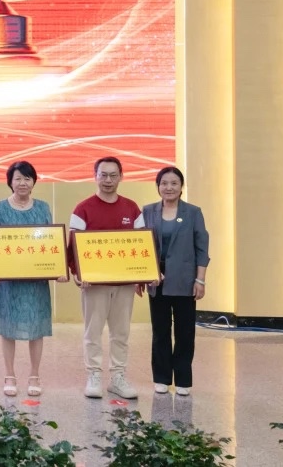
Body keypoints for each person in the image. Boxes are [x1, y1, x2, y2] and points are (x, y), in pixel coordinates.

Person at [0, 161, 68, 398]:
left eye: (27, 178)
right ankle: (9, 375)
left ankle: (34, 375)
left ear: (34, 182)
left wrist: (59, 268)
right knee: (8, 328)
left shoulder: (42, 207)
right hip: (8, 282)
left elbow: (51, 242)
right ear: (10, 182)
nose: (22, 183)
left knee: (36, 327)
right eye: (18, 178)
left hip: (36, 280)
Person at [70, 155, 146, 400]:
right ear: (95, 176)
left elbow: (142, 245)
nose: (108, 180)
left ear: (121, 177)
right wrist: (78, 273)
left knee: (121, 333)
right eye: (103, 175)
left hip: (124, 284)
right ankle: (93, 375)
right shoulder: (82, 209)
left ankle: (118, 377)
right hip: (94, 284)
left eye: (113, 175)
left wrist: (143, 275)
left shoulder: (132, 208)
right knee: (92, 332)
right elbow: (73, 246)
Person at [141, 166, 210, 397]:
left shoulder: (193, 212)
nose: (168, 187)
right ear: (157, 186)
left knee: (185, 332)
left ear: (181, 187)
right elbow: (140, 245)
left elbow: (202, 248)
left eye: (174, 183)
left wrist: (200, 280)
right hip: (156, 280)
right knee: (160, 331)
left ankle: (183, 379)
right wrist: (144, 273)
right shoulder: (147, 211)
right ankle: (161, 378)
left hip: (185, 280)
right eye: (164, 183)